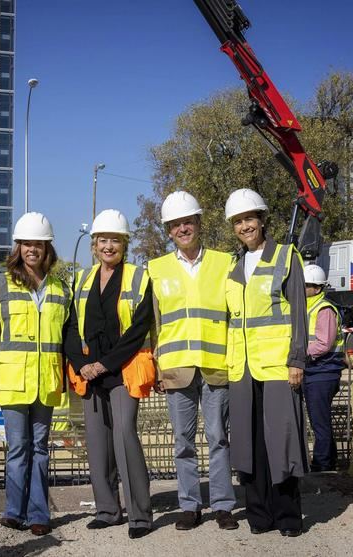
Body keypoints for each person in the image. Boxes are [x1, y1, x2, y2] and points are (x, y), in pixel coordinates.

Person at [146, 191, 237, 532]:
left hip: (216, 364)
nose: (182, 229)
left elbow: (235, 315)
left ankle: (223, 505)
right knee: (182, 441)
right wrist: (156, 366)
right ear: (168, 231)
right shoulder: (156, 269)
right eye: (175, 225)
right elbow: (154, 325)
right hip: (176, 368)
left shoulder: (225, 263)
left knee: (218, 438)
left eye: (188, 222)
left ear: (199, 223)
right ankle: (190, 505)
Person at [64, 209, 155, 540]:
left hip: (123, 368)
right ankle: (107, 510)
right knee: (97, 443)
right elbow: (71, 326)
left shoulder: (138, 277)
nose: (108, 246)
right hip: (90, 373)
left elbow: (139, 328)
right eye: (103, 240)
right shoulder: (81, 279)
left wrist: (104, 364)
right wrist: (81, 364)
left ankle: (140, 515)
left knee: (124, 436)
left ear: (124, 244)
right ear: (94, 244)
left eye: (115, 240)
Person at [0, 212, 71, 537]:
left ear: (47, 249)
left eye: (39, 244)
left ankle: (39, 515)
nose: (33, 249)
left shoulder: (61, 288)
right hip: (13, 382)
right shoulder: (1, 283)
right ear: (18, 248)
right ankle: (13, 512)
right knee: (18, 448)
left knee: (41, 449)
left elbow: (67, 337)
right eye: (27, 244)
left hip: (46, 381)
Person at [223, 189, 307, 537]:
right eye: (238, 222)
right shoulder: (234, 267)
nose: (245, 226)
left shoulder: (286, 257)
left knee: (281, 442)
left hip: (277, 367)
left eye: (250, 219)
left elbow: (298, 313)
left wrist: (297, 360)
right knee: (250, 444)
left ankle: (288, 517)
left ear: (262, 220)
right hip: (242, 370)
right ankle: (259, 515)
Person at [302, 264, 345, 472]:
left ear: (317, 288)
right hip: (315, 370)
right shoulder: (307, 306)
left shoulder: (324, 309)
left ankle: (322, 464)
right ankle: (328, 461)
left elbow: (324, 344)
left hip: (323, 371)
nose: (302, 288)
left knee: (319, 421)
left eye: (306, 285)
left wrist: (298, 354)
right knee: (320, 419)